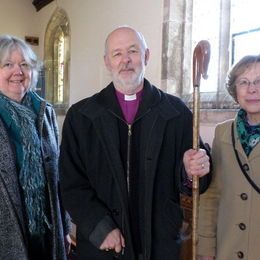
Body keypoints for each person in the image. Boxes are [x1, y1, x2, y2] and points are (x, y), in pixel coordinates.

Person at [60, 26, 211, 260]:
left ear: (147, 56)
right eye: (117, 53)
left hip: (160, 242)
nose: (126, 60)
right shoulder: (81, 117)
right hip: (104, 245)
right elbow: (70, 183)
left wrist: (192, 170)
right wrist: (99, 227)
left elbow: (196, 180)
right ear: (107, 62)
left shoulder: (176, 112)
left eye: (133, 51)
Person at [0, 35, 71, 259]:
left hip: (47, 230)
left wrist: (66, 228)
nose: (18, 71)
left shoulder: (45, 111)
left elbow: (58, 175)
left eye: (24, 65)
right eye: (8, 64)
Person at [197, 55, 260, 260]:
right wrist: (206, 248)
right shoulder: (223, 133)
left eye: (259, 81)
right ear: (235, 90)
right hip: (228, 247)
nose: (252, 89)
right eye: (244, 82)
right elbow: (212, 194)